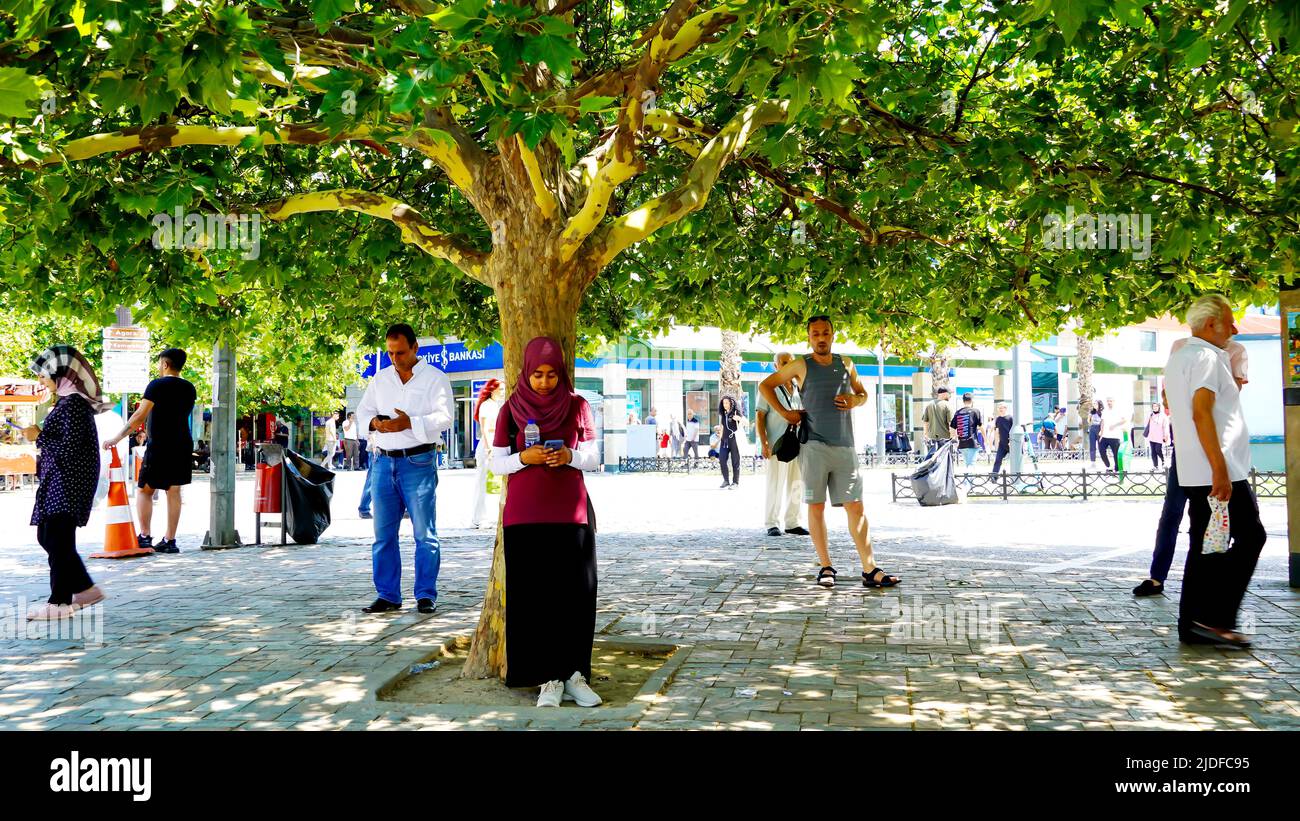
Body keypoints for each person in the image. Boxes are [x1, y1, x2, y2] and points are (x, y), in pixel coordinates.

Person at [488, 337, 603, 708]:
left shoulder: (578, 405)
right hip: (524, 517)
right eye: (537, 374)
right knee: (533, 600)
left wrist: (569, 455)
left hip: (571, 516)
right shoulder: (511, 409)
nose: (544, 382)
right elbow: (496, 463)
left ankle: (574, 676)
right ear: (526, 372)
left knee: (575, 597)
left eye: (551, 375)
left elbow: (594, 456)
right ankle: (547, 679)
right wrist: (526, 456)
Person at [759, 315, 899, 590]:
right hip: (813, 446)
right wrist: (786, 413)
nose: (821, 338)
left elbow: (863, 394)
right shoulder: (801, 364)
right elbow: (766, 385)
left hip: (846, 446)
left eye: (825, 333)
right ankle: (826, 566)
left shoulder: (846, 363)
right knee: (816, 506)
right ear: (809, 337)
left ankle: (870, 569)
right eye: (815, 334)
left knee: (856, 507)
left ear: (832, 335)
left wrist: (855, 400)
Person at [1161, 294, 1264, 647]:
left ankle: (1195, 624)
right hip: (1218, 471)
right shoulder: (1205, 358)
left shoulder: (1181, 357)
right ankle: (1214, 619)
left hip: (1198, 469)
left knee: (1206, 547)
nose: (1235, 329)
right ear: (1211, 324)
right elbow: (1201, 412)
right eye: (1230, 322)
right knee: (1251, 537)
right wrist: (1220, 470)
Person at [1135, 338, 1249, 597]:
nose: (1232, 327)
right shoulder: (1181, 347)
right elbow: (1168, 396)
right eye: (1226, 320)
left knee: (1216, 517)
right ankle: (1157, 577)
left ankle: (1212, 583)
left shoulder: (1235, 351)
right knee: (1172, 512)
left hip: (1219, 447)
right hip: (1187, 446)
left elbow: (1228, 400)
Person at [355, 323, 453, 615]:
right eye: (390, 353)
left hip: (418, 462)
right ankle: (387, 594)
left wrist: (410, 422)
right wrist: (376, 424)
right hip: (383, 461)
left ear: (415, 348)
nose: (394, 359)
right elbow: (363, 413)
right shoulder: (381, 379)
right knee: (383, 534)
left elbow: (445, 417)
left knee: (425, 533)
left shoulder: (435, 379)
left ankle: (425, 594)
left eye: (400, 352)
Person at [23, 346, 111, 620]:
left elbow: (70, 447)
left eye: (43, 376)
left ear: (60, 375)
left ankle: (65, 600)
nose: (41, 381)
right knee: (51, 537)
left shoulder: (72, 404)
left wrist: (39, 435)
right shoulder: (67, 402)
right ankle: (75, 594)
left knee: (55, 538)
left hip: (67, 482)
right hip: (60, 481)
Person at [103, 348, 195, 555]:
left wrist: (117, 438)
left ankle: (145, 536)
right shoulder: (190, 388)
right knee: (174, 491)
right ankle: (170, 540)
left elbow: (139, 416)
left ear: (165, 364)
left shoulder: (156, 385)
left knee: (145, 489)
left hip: (161, 443)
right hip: (182, 443)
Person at [756, 352, 808, 538]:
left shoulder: (797, 387)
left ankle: (793, 522)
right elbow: (760, 416)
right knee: (775, 483)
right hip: (777, 443)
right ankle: (772, 523)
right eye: (784, 362)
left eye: (791, 362)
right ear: (776, 366)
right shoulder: (769, 387)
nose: (788, 365)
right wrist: (764, 443)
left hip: (797, 442)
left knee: (796, 483)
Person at [470, 379, 503, 529]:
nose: (502, 392)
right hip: (487, 446)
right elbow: (485, 429)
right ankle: (479, 518)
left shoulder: (495, 405)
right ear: (492, 390)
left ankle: (487, 516)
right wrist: (489, 449)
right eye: (500, 389)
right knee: (483, 482)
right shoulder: (487, 405)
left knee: (492, 484)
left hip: (493, 445)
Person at [950, 392, 983, 469]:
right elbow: (981, 426)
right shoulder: (975, 411)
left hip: (962, 444)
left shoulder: (958, 412)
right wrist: (986, 440)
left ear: (963, 401)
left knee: (968, 464)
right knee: (971, 465)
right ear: (972, 400)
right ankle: (967, 481)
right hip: (972, 442)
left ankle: (967, 480)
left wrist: (955, 439)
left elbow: (952, 428)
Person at [717, 395, 742, 488]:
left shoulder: (736, 413)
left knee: (735, 461)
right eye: (723, 403)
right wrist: (720, 438)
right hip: (724, 440)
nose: (725, 405)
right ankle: (726, 480)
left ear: (731, 403)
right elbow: (723, 427)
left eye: (726, 403)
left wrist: (738, 418)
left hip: (734, 440)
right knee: (722, 459)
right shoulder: (723, 414)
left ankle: (735, 482)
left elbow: (746, 422)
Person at [921, 386, 954, 456]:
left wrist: (925, 435)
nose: (950, 396)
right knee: (944, 461)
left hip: (931, 439)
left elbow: (925, 422)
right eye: (949, 394)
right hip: (945, 439)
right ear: (945, 394)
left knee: (932, 460)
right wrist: (953, 437)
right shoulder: (948, 405)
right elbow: (951, 424)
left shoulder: (929, 404)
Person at [1144, 402, 1170, 469]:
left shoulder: (1163, 416)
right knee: (1153, 451)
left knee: (1158, 450)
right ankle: (1155, 466)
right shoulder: (1150, 415)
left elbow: (1165, 427)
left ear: (1159, 407)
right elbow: (1147, 425)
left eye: (1156, 406)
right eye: (1153, 406)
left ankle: (1163, 460)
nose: (1155, 408)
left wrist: (1165, 435)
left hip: (1160, 436)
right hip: (1151, 436)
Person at [990, 403, 1013, 474]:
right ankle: (994, 476)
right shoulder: (998, 419)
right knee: (998, 460)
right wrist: (996, 444)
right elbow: (997, 431)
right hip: (1002, 444)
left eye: (1001, 408)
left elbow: (1013, 430)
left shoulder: (1010, 418)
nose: (1000, 409)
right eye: (999, 408)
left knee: (1015, 461)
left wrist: (1011, 441)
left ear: (1005, 408)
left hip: (1011, 443)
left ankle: (1016, 476)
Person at [1087, 400, 1103, 465]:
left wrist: (1101, 430)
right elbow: (1088, 420)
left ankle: (1103, 458)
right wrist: (1090, 422)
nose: (1094, 404)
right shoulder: (1092, 412)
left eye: (1096, 403)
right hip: (1093, 428)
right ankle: (1093, 461)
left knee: (1101, 445)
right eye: (1093, 403)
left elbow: (1103, 421)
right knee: (1092, 445)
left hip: (1100, 427)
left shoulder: (1102, 412)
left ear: (1099, 404)